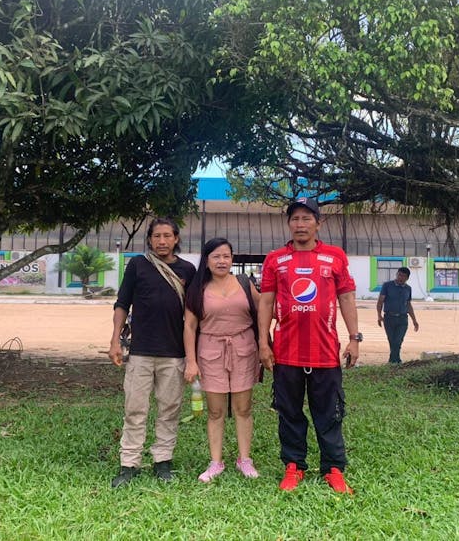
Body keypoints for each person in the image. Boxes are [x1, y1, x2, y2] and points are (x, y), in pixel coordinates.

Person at [258, 197, 359, 494]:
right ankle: (294, 466)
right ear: (289, 224)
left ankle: (333, 469)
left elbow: (347, 298)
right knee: (289, 412)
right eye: (295, 219)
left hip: (325, 353)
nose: (300, 224)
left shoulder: (335, 256)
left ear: (318, 222)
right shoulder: (275, 259)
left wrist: (354, 338)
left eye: (306, 218)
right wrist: (264, 342)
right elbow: (265, 301)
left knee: (328, 413)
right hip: (286, 352)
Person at [108, 218, 196, 488]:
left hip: (173, 352)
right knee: (135, 409)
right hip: (141, 352)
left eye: (167, 236)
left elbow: (192, 317)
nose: (162, 241)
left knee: (169, 410)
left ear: (176, 239)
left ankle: (162, 461)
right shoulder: (138, 265)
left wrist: (192, 357)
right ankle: (129, 463)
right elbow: (122, 304)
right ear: (150, 239)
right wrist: (114, 341)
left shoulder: (187, 270)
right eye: (157, 236)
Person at [183, 238, 261, 483]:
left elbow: (264, 310)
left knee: (243, 408)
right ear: (206, 260)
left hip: (244, 350)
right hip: (210, 352)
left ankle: (244, 459)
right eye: (216, 256)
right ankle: (216, 462)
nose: (222, 261)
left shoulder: (244, 284)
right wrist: (191, 361)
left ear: (232, 259)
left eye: (226, 256)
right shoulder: (198, 289)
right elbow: (189, 327)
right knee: (215, 411)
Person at [376, 267, 419, 364]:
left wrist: (414, 320)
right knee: (392, 340)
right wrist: (379, 315)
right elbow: (380, 301)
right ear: (396, 274)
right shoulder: (387, 285)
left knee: (398, 340)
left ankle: (394, 361)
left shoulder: (408, 289)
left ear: (407, 278)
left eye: (403, 276)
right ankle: (395, 361)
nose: (400, 277)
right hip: (389, 318)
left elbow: (408, 304)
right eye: (399, 275)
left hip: (403, 319)